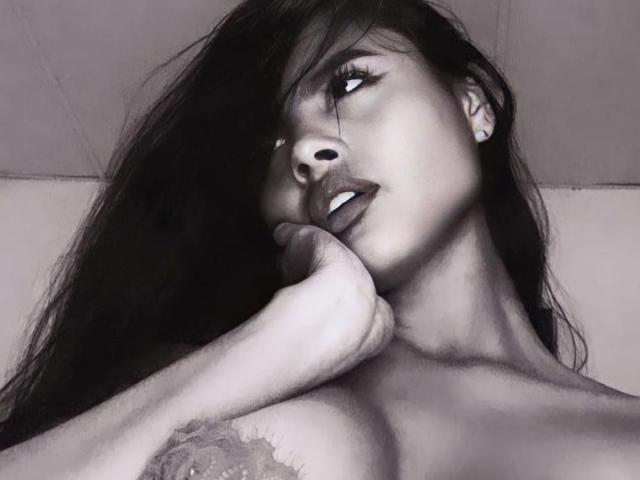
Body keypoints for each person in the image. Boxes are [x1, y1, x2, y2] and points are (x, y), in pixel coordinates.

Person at [1, 0, 639, 478]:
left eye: (348, 83)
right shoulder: (209, 379)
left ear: (475, 105)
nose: (305, 150)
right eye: (269, 148)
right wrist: (287, 336)